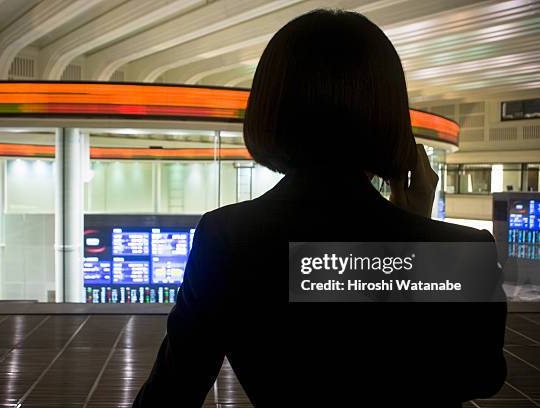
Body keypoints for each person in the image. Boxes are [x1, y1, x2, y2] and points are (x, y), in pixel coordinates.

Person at [133, 9, 506, 407]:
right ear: (389, 113)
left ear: (270, 108)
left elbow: (173, 390)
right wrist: (416, 245)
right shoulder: (462, 250)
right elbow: (479, 376)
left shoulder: (226, 238)